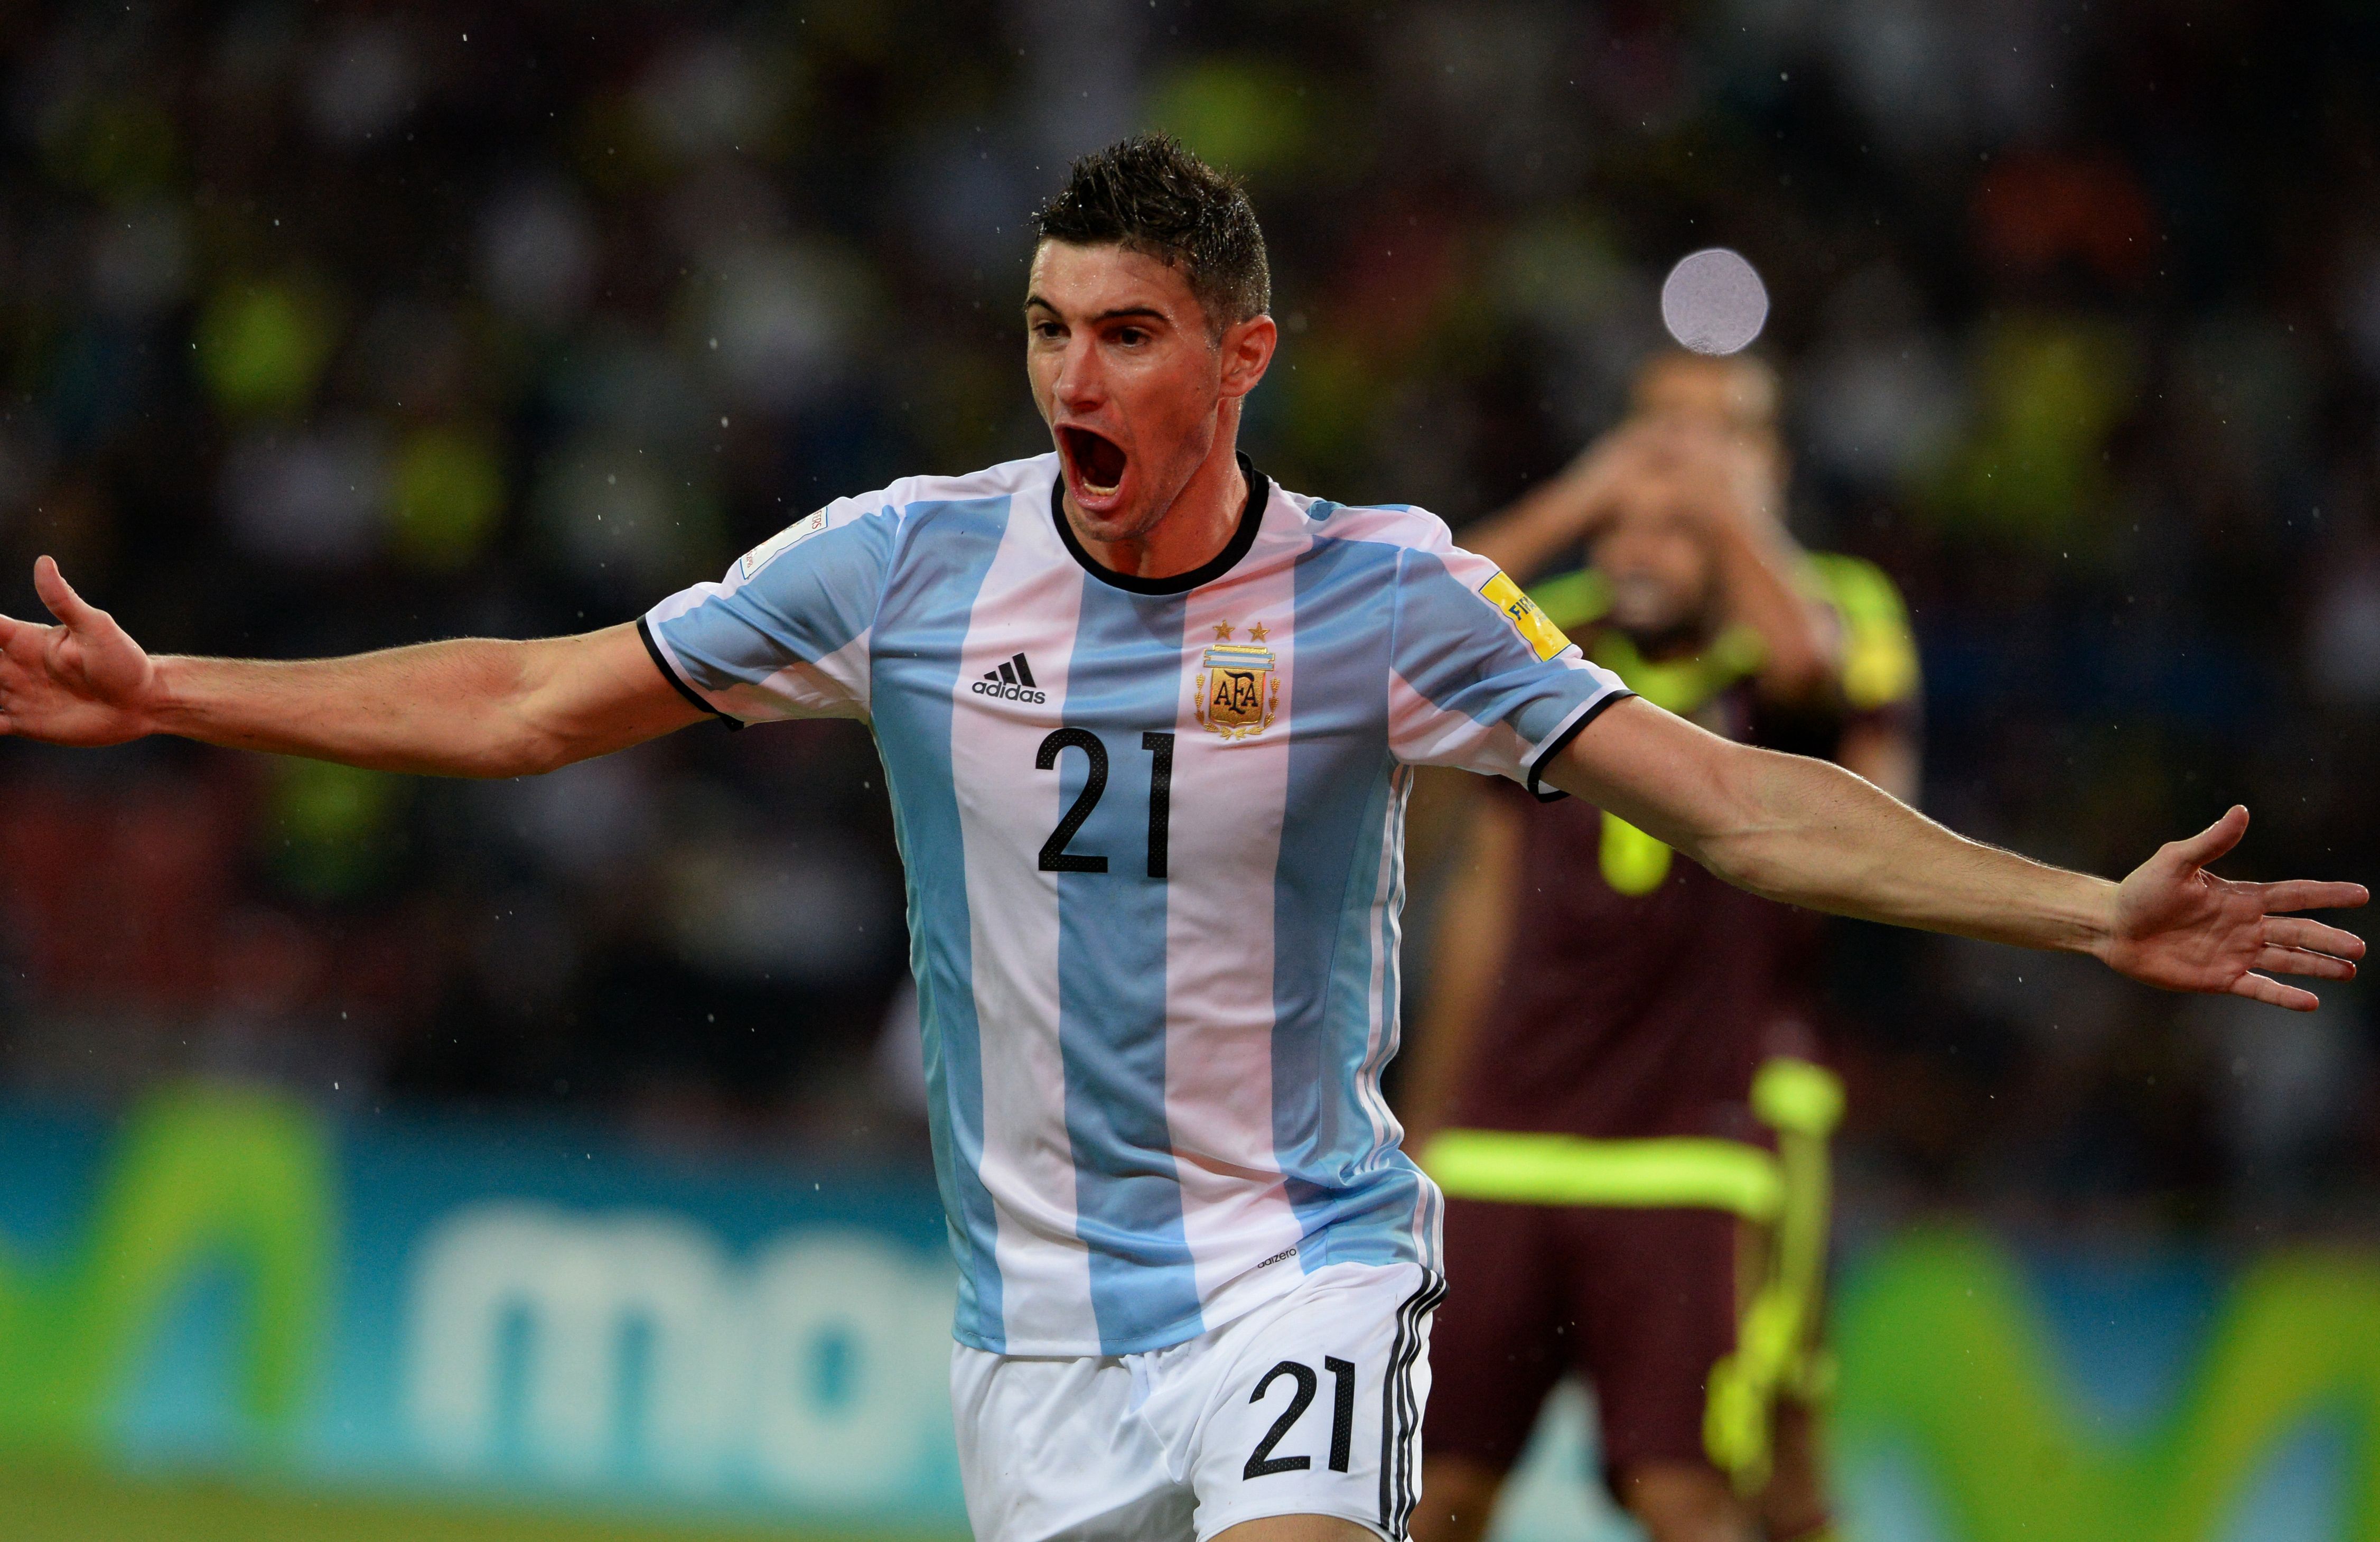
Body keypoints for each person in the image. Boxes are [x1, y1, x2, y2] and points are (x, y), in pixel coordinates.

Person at [0, 136, 2363, 1542]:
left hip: (1305, 1264)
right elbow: (528, 701)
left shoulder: (1382, 598)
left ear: (1241, 355)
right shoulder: (904, 564)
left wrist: (2079, 907)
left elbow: (1729, 795)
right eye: (1043, 330)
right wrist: (170, 686)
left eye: (1124, 334)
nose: (1068, 382)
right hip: (1022, 1333)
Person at [1398, 351, 1911, 1542]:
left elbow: (1809, 679)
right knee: (1438, 1489)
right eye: (1658, 433)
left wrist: (1714, 501)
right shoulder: (1556, 632)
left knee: (1729, 1470)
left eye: (1714, 435)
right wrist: (1435, 1103)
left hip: (1721, 1112)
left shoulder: (1811, 620)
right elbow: (1409, 610)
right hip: (1512, 1128)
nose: (1673, 471)